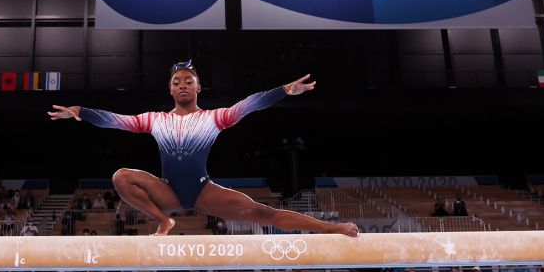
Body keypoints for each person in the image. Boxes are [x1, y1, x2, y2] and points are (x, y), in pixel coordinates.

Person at [49, 62, 358, 237]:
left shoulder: (214, 118)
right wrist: (81, 111)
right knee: (121, 177)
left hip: (202, 190)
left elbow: (248, 105)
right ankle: (163, 221)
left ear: (198, 88)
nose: (182, 84)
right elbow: (115, 121)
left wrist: (283, 91)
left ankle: (334, 229)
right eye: (176, 81)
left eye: (189, 81)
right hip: (167, 191)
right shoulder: (154, 120)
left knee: (265, 213)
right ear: (170, 89)